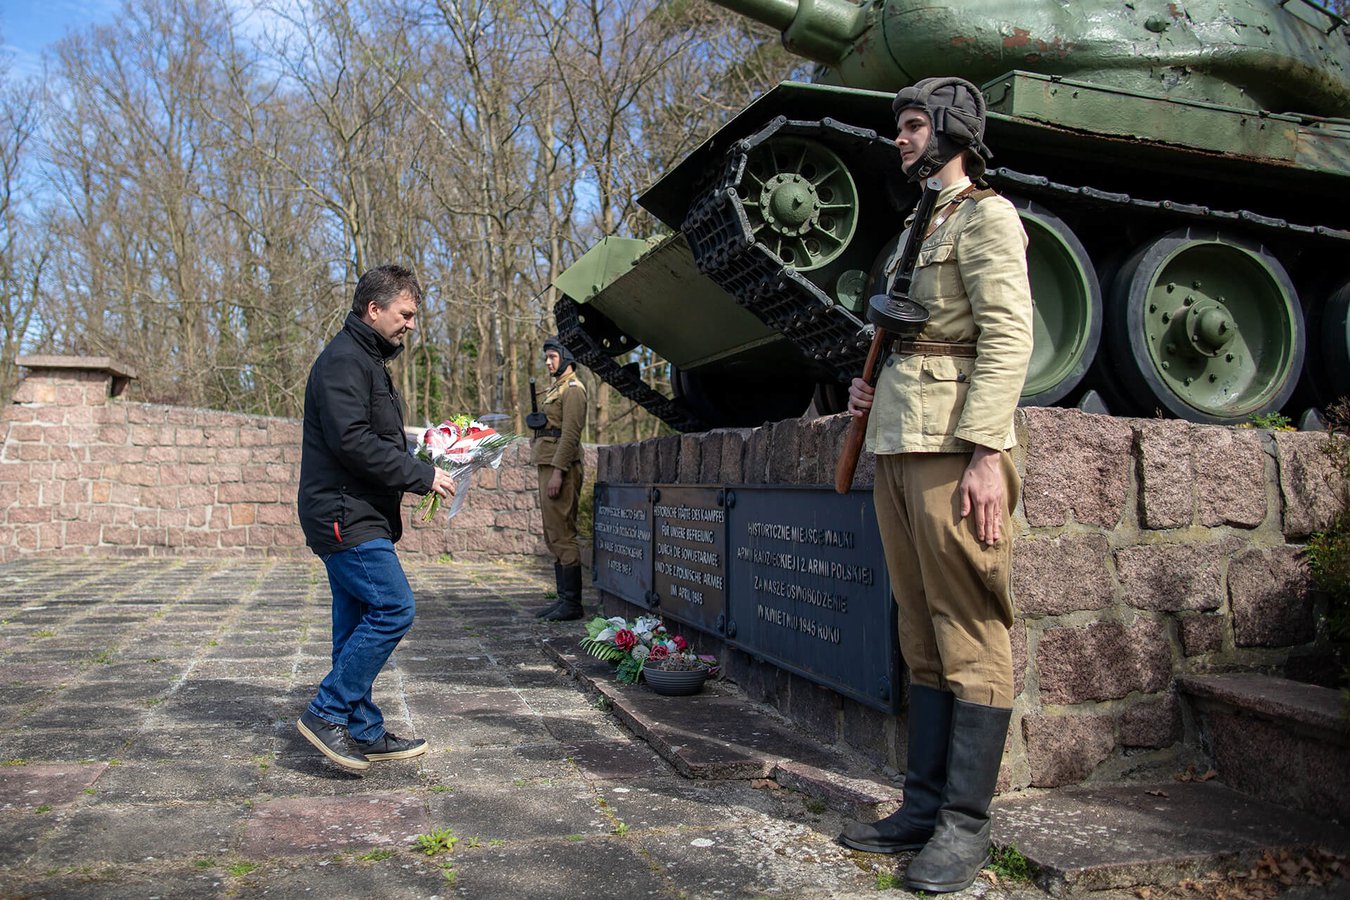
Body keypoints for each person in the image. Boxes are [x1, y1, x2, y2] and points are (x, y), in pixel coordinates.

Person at [838, 78, 1034, 893]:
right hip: (896, 440)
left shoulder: (988, 217)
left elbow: (1008, 336)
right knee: (920, 633)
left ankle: (965, 825)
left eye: (915, 125)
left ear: (953, 132)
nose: (901, 137)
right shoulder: (916, 226)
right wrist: (867, 392)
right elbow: (905, 333)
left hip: (954, 445)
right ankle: (921, 807)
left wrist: (987, 452)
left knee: (968, 626)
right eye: (901, 126)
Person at [295, 264, 456, 772]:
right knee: (393, 607)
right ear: (374, 308)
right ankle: (326, 712)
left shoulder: (366, 360)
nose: (410, 324)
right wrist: (420, 475)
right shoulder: (344, 361)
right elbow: (353, 442)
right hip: (344, 513)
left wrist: (424, 451)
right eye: (404, 314)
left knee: (355, 623)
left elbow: (375, 435)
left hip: (358, 509)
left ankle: (361, 728)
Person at [530, 336, 588, 622]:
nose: (548, 362)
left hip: (560, 468)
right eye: (547, 357)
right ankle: (563, 599)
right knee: (553, 533)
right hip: (548, 464)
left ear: (566, 358)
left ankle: (573, 604)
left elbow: (570, 435)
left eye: (553, 356)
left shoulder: (574, 390)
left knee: (563, 533)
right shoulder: (557, 388)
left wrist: (558, 472)